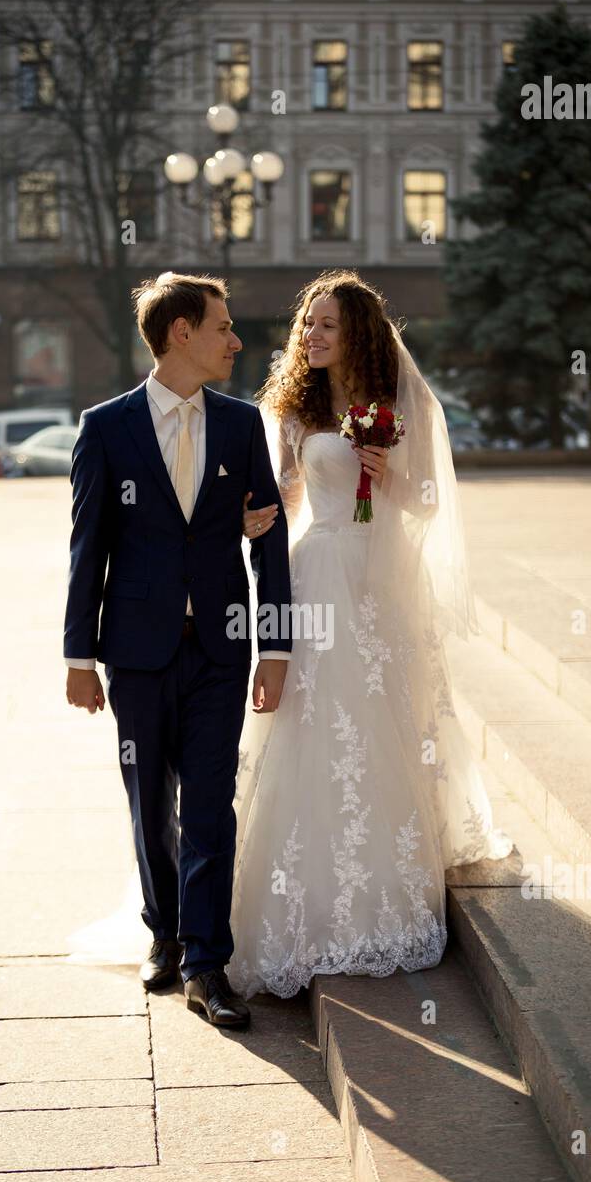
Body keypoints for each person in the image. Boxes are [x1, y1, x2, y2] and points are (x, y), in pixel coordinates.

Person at [227, 268, 512, 1001]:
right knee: (313, 722)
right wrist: (248, 520)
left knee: (383, 719)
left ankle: (383, 884)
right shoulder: (291, 407)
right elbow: (281, 498)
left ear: (357, 334)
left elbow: (426, 504)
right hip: (316, 569)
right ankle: (306, 898)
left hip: (381, 587)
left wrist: (387, 477)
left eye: (326, 325)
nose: (311, 335)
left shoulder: (396, 404)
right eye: (307, 325)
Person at [63, 272, 293, 1029]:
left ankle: (205, 962)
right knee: (147, 802)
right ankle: (160, 929)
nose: (236, 340)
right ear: (181, 334)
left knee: (210, 804)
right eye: (223, 327)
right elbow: (87, 548)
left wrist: (276, 645)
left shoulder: (238, 425)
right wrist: (79, 658)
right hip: (133, 652)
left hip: (221, 652)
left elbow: (269, 537)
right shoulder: (106, 428)